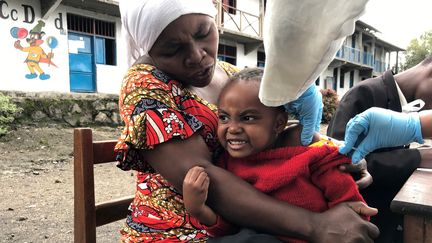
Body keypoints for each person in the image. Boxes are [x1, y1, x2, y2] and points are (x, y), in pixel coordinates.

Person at [116, 1, 379, 242]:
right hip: (180, 231)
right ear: (150, 47)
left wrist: (337, 153)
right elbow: (199, 174)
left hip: (250, 220)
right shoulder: (144, 84)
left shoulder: (230, 74)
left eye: (203, 33)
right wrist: (316, 225)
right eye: (173, 49)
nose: (197, 55)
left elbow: (273, 133)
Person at [182, 68, 371, 243]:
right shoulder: (226, 164)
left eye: (247, 118)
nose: (232, 128)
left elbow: (351, 211)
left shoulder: (309, 153)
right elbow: (229, 226)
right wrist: (198, 209)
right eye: (223, 117)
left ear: (279, 124)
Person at [327, 55, 432, 242]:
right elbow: (338, 162)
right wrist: (418, 157)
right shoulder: (365, 93)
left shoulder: (406, 104)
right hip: (360, 223)